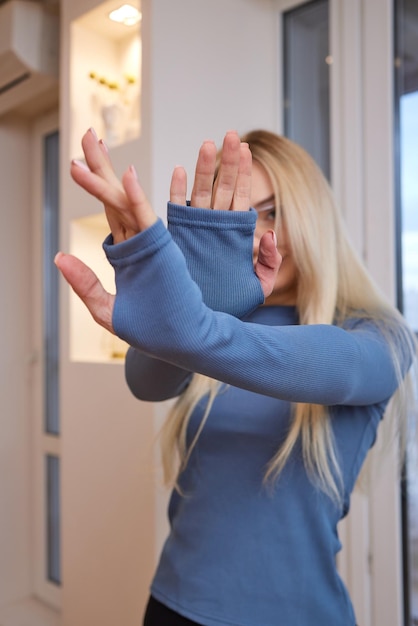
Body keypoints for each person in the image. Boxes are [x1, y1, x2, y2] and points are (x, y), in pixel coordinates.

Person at [55, 127, 417, 626]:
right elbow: (145, 383)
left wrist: (188, 311)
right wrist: (201, 302)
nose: (254, 234)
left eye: (271, 212)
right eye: (240, 217)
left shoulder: (379, 337)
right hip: (172, 605)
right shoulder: (225, 325)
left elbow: (329, 369)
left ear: (312, 213)